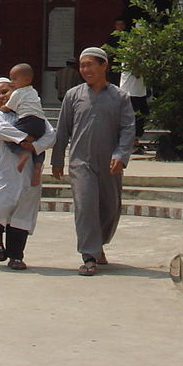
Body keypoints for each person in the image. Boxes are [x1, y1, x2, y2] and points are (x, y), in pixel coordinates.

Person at [51, 46, 136, 276]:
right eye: (82, 66)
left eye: (90, 65)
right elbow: (62, 130)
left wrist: (121, 155)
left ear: (103, 66)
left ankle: (98, 244)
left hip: (110, 163)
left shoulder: (120, 97)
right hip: (81, 162)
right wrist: (57, 159)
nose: (85, 70)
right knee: (85, 207)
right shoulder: (73, 96)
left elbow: (128, 129)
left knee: (110, 207)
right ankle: (89, 255)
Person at [0, 77, 56, 271]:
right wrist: (24, 139)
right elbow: (0, 130)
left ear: (16, 91)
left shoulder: (32, 113)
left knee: (22, 214)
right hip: (3, 172)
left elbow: (50, 134)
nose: (1, 97)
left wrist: (34, 146)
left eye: (5, 92)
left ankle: (16, 256)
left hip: (29, 173)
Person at [4, 63, 47, 186]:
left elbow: (8, 108)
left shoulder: (18, 93)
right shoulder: (33, 91)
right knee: (39, 147)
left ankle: (21, 153)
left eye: (14, 79)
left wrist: (2, 107)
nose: (11, 82)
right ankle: (38, 166)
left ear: (27, 79)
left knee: (9, 137)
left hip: (27, 120)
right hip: (40, 123)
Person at [119, 66, 150, 153]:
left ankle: (136, 142)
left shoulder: (143, 57)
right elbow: (136, 73)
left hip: (141, 92)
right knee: (131, 120)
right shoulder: (130, 55)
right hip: (130, 92)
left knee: (142, 118)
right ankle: (130, 144)